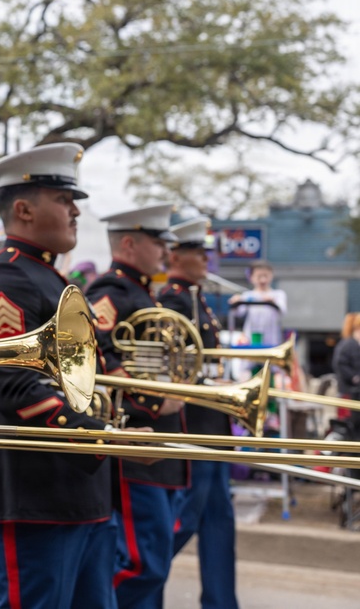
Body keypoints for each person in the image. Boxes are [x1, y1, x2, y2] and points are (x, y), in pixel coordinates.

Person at [0, 144, 117, 609]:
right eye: (63, 199)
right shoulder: (4, 280)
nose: (75, 211)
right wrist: (101, 437)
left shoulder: (50, 279)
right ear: (24, 209)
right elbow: (18, 389)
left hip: (77, 492)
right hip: (31, 495)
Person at [85, 203, 188, 609]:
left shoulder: (145, 293)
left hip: (158, 443)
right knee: (142, 563)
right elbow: (100, 360)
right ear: (129, 243)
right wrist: (153, 399)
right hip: (136, 439)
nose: (166, 252)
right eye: (158, 242)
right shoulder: (110, 291)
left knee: (155, 560)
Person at [157, 217, 239, 609]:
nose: (206, 258)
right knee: (184, 519)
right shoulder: (174, 300)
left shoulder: (196, 297)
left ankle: (222, 602)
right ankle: (137, 583)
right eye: (197, 252)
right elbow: (175, 368)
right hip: (194, 425)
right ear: (175, 256)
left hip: (212, 423)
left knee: (220, 522)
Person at [229, 260, 286, 347]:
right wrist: (236, 302)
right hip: (250, 341)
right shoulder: (247, 296)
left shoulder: (278, 294)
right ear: (251, 277)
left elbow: (282, 311)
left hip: (272, 342)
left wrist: (272, 301)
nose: (263, 280)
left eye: (266, 276)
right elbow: (239, 313)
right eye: (259, 276)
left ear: (271, 276)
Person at [331, 312, 360, 430]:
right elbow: (339, 364)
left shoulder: (353, 344)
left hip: (354, 392)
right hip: (349, 392)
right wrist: (354, 377)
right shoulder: (349, 344)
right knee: (350, 425)